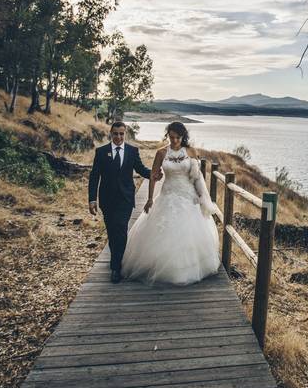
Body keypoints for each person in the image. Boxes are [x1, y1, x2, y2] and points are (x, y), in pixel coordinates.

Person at [120, 122, 221, 285]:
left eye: (177, 138)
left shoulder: (191, 151)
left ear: (183, 137)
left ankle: (188, 269)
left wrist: (202, 197)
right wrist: (150, 198)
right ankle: (161, 267)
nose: (174, 141)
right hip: (167, 194)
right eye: (171, 137)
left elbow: (197, 177)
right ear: (168, 136)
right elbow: (153, 176)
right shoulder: (161, 153)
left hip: (188, 195)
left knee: (188, 230)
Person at [88, 122, 161, 283]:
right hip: (107, 200)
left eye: (122, 134)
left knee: (121, 229)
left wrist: (154, 174)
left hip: (126, 199)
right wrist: (92, 199)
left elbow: (141, 169)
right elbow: (94, 176)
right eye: (116, 134)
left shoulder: (132, 151)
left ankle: (116, 268)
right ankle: (116, 260)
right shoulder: (101, 152)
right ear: (111, 134)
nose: (119, 137)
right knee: (112, 232)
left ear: (125, 134)